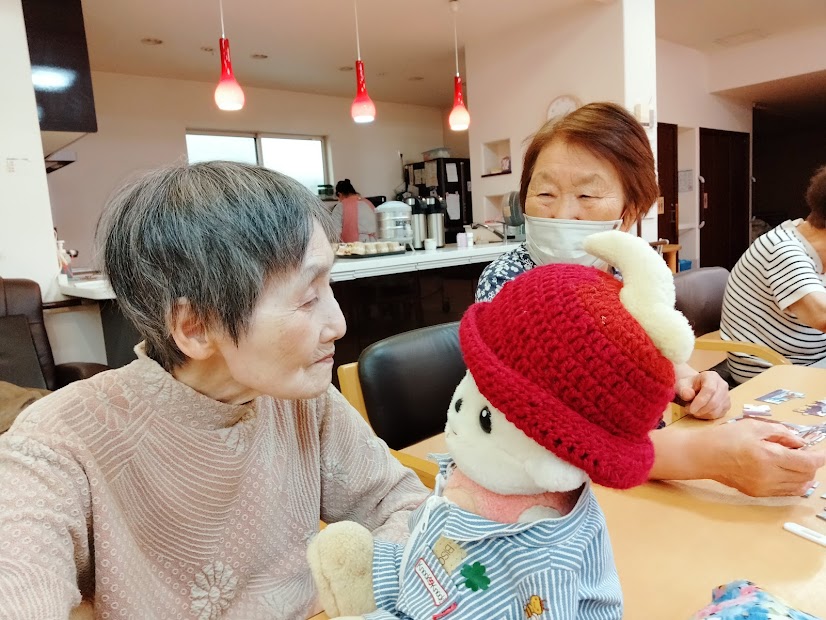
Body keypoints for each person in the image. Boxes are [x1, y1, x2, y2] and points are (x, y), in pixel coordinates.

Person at [0, 162, 429, 619]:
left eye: (329, 286)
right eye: (307, 299)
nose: (338, 324)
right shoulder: (56, 446)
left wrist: (359, 590)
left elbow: (407, 509)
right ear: (196, 327)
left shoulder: (303, 399)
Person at [476, 102, 826, 497]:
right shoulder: (508, 282)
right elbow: (554, 431)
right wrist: (708, 457)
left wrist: (693, 381)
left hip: (648, 474)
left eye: (587, 194)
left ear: (628, 214)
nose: (562, 213)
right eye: (544, 193)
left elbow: (656, 355)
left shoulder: (629, 273)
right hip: (559, 492)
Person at [721, 165, 826, 383]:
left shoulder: (802, 237)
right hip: (773, 373)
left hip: (811, 363)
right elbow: (822, 316)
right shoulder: (784, 250)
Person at [331, 178, 377, 243]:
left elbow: (335, 232)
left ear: (340, 194)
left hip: (353, 245)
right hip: (373, 243)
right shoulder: (368, 203)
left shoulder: (340, 206)